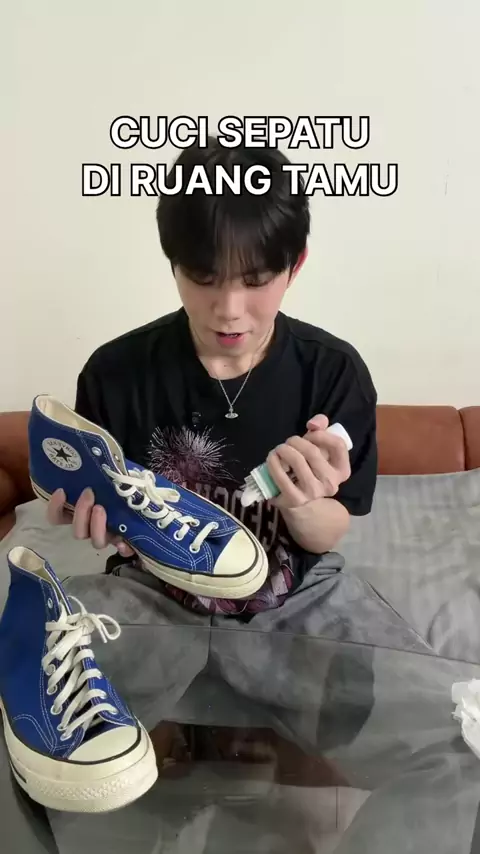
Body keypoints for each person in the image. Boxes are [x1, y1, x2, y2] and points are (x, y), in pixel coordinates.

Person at [47, 136, 378, 616]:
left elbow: (328, 533)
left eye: (256, 280)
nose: (229, 311)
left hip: (293, 598)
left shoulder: (334, 372)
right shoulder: (113, 374)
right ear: (173, 264)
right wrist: (93, 516)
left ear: (295, 266)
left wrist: (301, 503)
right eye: (204, 279)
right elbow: (98, 507)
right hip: (150, 593)